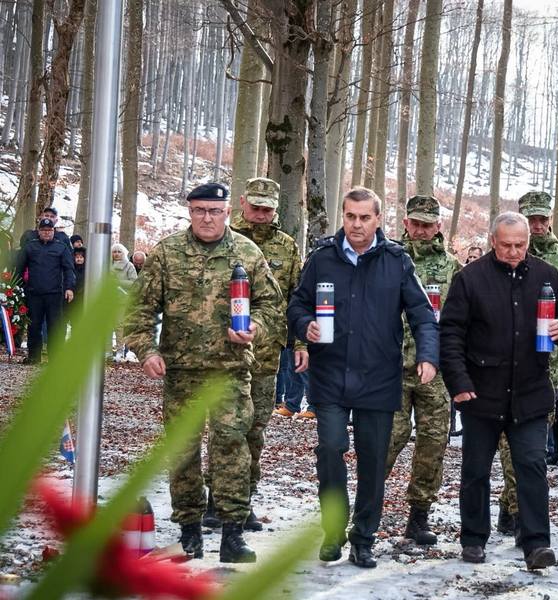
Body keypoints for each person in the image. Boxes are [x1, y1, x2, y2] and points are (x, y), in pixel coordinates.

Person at [125, 183, 286, 564]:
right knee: (183, 451)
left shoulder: (247, 253)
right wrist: (147, 351)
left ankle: (232, 532)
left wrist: (255, 327)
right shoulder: (167, 253)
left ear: (228, 212)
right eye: (199, 210)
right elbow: (138, 311)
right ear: (190, 212)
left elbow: (272, 306)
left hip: (230, 370)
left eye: (214, 211)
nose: (207, 218)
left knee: (231, 446)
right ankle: (189, 531)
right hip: (181, 372)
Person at [287, 187, 438, 569]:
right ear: (343, 216)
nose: (356, 224)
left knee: (373, 460)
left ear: (378, 219)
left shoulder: (396, 261)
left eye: (364, 217)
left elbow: (423, 315)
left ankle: (363, 538)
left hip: (378, 377)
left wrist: (427, 356)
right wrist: (305, 325)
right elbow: (298, 303)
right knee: (330, 448)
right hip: (330, 374)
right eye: (350, 216)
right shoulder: (322, 258)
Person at [440, 211, 558, 570]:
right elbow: (450, 334)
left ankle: (536, 543)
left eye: (520, 245)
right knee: (476, 470)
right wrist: (459, 383)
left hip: (530, 391)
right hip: (481, 392)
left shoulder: (547, 275)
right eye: (506, 245)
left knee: (531, 467)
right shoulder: (470, 279)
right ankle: (473, 538)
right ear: (492, 242)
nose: (514, 252)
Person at [203, 177, 308, 532]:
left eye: (267, 209)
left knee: (254, 430)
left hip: (264, 357)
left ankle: (243, 499)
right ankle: (216, 499)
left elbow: (297, 300)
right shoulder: (222, 239)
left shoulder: (287, 247)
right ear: (243, 203)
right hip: (225, 354)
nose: (261, 214)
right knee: (224, 428)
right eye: (256, 207)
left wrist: (300, 344)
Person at [495, 191, 558, 539]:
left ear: (550, 219)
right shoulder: (503, 253)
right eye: (531, 219)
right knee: (509, 443)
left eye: (542, 219)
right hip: (504, 364)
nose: (537, 225)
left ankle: (515, 507)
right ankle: (516, 509)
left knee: (533, 445)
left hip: (546, 366)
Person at [384, 195, 461, 545]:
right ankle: (367, 507)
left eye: (427, 225)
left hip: (435, 371)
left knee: (432, 444)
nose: (420, 231)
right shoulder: (389, 259)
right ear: (405, 223)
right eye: (415, 224)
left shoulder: (452, 268)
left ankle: (419, 515)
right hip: (392, 369)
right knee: (387, 440)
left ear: (438, 226)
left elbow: (461, 318)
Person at [16, 218, 76, 364]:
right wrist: (18, 287)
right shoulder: (30, 247)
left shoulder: (61, 247)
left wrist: (69, 288)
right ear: (39, 231)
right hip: (34, 293)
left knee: (55, 327)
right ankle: (33, 357)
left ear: (53, 231)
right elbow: (19, 268)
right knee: (34, 326)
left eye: (49, 230)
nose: (46, 233)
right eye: (43, 230)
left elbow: (69, 269)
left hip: (54, 294)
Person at [111, 243, 138, 362]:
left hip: (122, 300)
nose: (116, 254)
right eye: (114, 252)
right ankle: (107, 351)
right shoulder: (107, 265)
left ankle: (120, 351)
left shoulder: (129, 265)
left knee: (119, 326)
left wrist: (119, 282)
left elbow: (134, 282)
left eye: (119, 252)